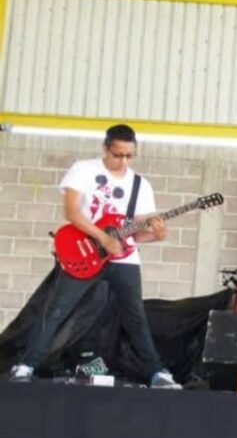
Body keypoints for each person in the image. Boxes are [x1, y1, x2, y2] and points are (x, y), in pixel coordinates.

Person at [8, 125, 179, 388]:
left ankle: (156, 372)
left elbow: (135, 235)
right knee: (57, 311)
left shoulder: (140, 185)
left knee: (135, 316)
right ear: (105, 149)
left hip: (124, 259)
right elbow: (72, 212)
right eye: (118, 155)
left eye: (129, 156)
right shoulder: (84, 170)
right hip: (85, 251)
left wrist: (158, 235)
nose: (123, 161)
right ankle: (26, 366)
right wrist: (103, 238)